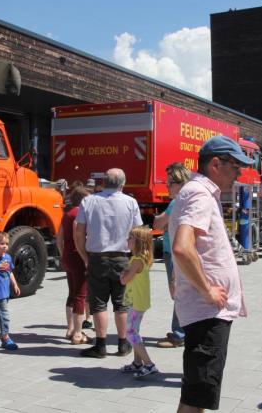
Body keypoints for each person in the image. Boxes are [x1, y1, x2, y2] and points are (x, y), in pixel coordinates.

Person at [170, 135, 250, 412]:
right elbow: (182, 247)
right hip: (207, 311)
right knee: (196, 398)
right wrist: (207, 290)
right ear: (216, 163)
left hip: (206, 311)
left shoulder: (196, 192)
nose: (240, 172)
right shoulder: (200, 194)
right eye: (236, 165)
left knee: (198, 395)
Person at [74, 168, 143, 358]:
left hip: (97, 258)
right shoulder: (131, 202)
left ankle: (101, 346)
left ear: (103, 182)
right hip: (122, 257)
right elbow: (138, 233)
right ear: (123, 183)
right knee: (121, 303)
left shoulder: (89, 201)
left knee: (98, 303)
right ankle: (123, 345)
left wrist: (84, 256)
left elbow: (79, 232)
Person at [153, 162, 192, 348]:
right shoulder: (184, 200)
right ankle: (180, 331)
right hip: (176, 252)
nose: (167, 186)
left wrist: (159, 219)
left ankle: (179, 334)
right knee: (179, 291)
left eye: (169, 183)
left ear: (180, 183)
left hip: (175, 253)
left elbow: (158, 224)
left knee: (178, 291)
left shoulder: (177, 202)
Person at [119, 226, 159, 378]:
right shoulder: (143, 258)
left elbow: (125, 280)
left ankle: (149, 364)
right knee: (134, 330)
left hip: (136, 302)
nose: (127, 240)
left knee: (130, 332)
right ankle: (137, 362)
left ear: (138, 242)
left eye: (130, 238)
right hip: (139, 300)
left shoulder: (136, 260)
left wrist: (123, 275)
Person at [56, 186, 92, 344]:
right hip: (78, 257)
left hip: (67, 257)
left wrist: (63, 253)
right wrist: (85, 257)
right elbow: (80, 238)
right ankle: (78, 334)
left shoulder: (67, 214)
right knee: (81, 295)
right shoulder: (81, 215)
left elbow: (59, 239)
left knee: (72, 293)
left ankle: (69, 329)